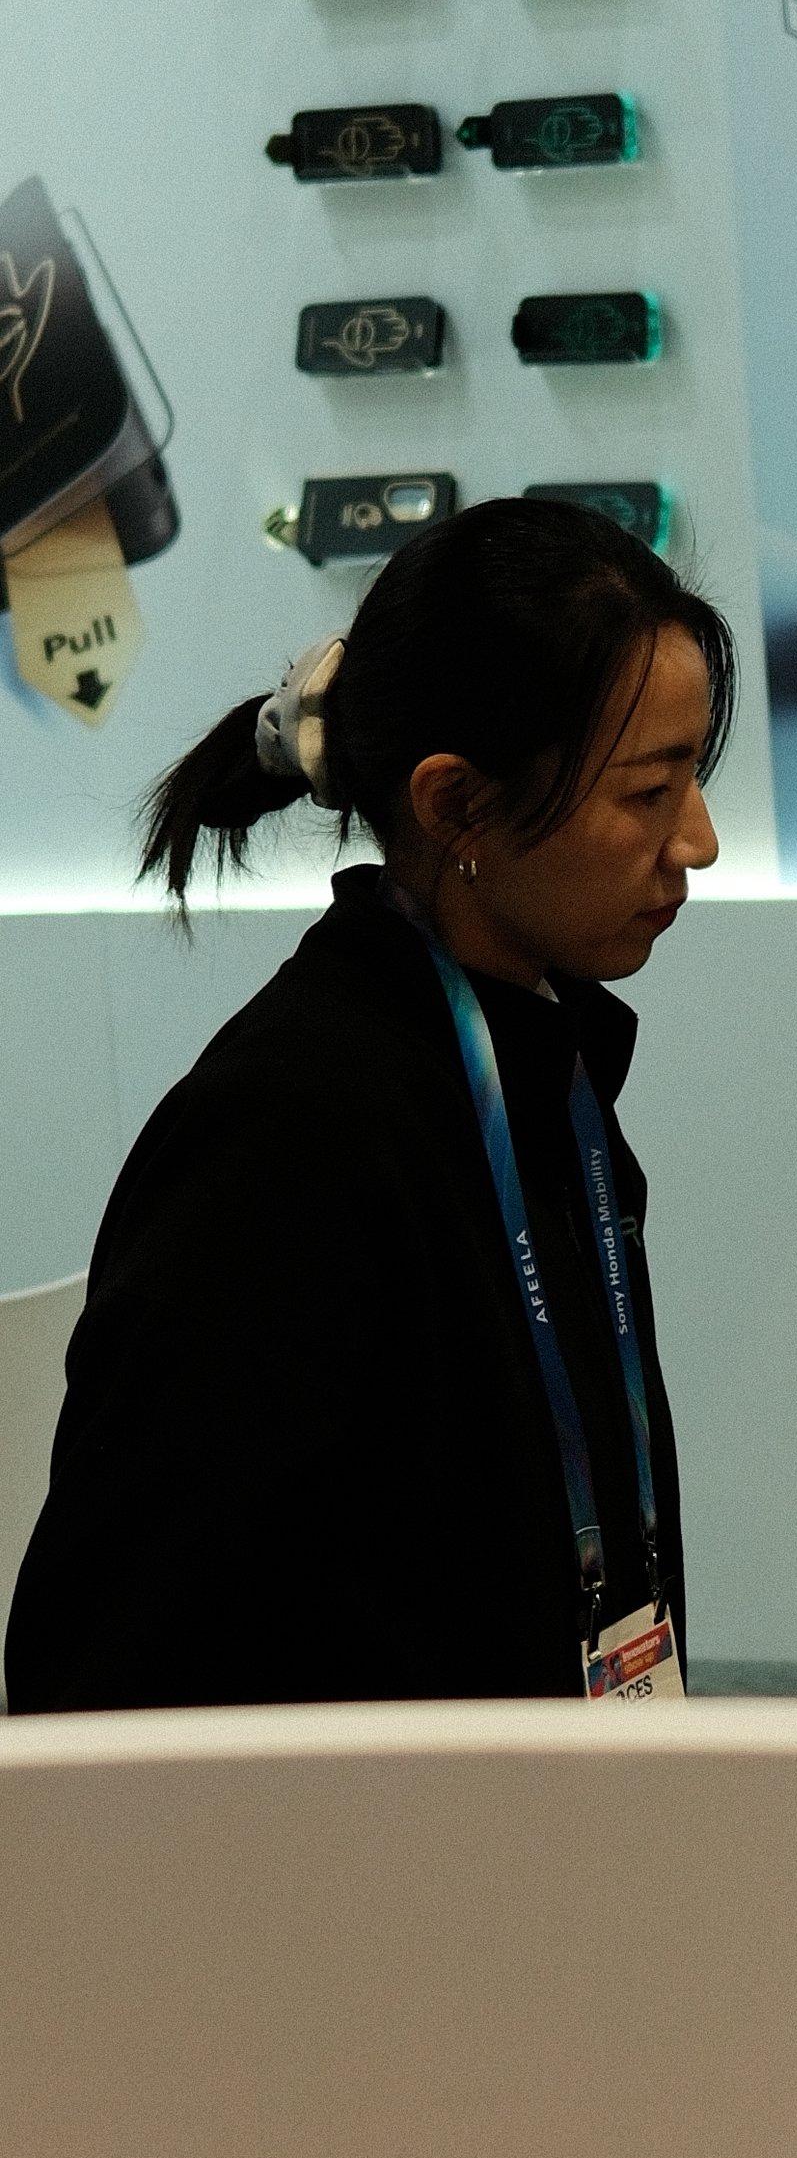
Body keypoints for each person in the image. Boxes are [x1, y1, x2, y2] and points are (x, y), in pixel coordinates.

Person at [6, 497, 732, 1711]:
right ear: (457, 807)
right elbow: (116, 1662)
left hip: (547, 1840)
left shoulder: (540, 1065)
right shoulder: (286, 1138)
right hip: (359, 1869)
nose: (697, 842)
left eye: (692, 780)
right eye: (649, 793)